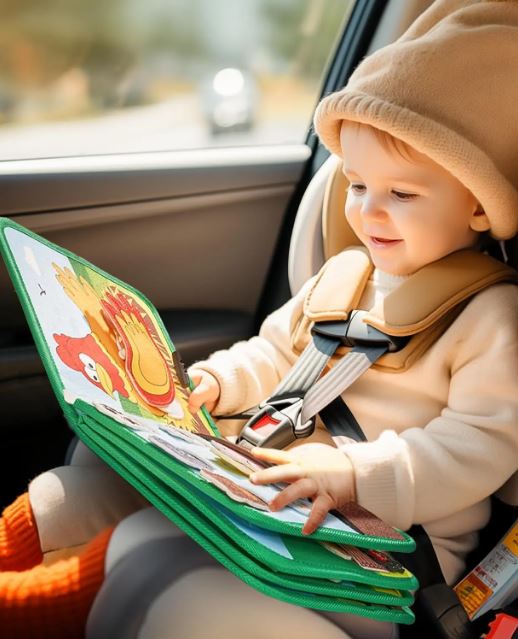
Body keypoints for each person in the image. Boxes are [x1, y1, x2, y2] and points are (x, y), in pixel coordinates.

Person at [1, 1, 518, 638]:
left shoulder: (492, 316)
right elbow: (273, 355)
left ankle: (37, 608)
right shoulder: (344, 276)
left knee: (150, 539)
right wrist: (215, 384)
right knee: (74, 489)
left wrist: (354, 475)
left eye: (402, 194)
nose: (368, 211)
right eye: (356, 185)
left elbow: (480, 446)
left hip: (376, 558)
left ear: (478, 207)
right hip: (272, 498)